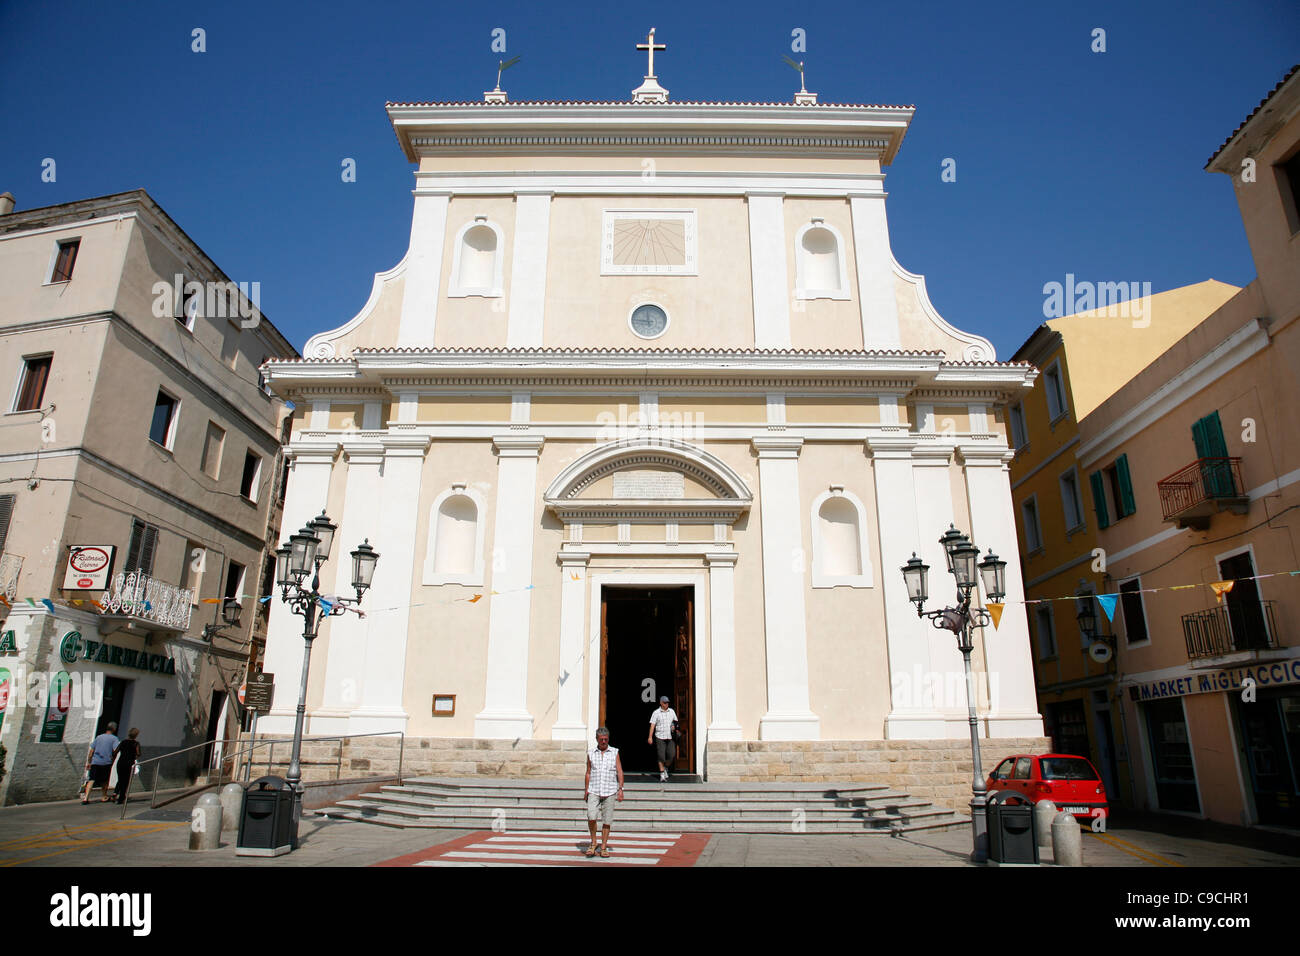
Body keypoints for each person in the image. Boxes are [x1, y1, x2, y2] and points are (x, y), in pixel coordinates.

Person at [583, 726, 623, 858]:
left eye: (606, 739)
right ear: (597, 739)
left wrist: (620, 789)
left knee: (607, 820)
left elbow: (619, 770)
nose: (604, 742)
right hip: (594, 789)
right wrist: (586, 789)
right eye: (601, 740)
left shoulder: (614, 752)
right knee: (591, 816)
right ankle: (593, 843)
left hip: (610, 790)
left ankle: (604, 846)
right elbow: (588, 772)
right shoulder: (591, 753)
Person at [82, 722, 120, 804]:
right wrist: (112, 759)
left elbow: (91, 751)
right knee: (105, 780)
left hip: (95, 762)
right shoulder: (114, 739)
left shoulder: (98, 737)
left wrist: (89, 762)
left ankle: (86, 798)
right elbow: (116, 750)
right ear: (114, 729)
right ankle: (104, 796)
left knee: (91, 779)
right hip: (106, 762)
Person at [648, 695, 678, 782]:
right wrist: (650, 737)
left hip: (670, 737)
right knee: (661, 756)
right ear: (661, 703)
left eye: (667, 702)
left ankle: (666, 768)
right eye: (665, 703)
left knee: (672, 755)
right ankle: (662, 774)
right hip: (660, 737)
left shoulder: (671, 711)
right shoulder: (656, 713)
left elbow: (676, 722)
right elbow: (652, 725)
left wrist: (674, 727)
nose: (666, 704)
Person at [114, 728, 141, 805]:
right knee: (125, 781)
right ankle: (121, 798)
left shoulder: (123, 742)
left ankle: (115, 793)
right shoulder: (136, 744)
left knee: (120, 779)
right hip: (129, 763)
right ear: (136, 735)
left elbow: (115, 751)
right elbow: (138, 753)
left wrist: (112, 758)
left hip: (120, 762)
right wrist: (134, 756)